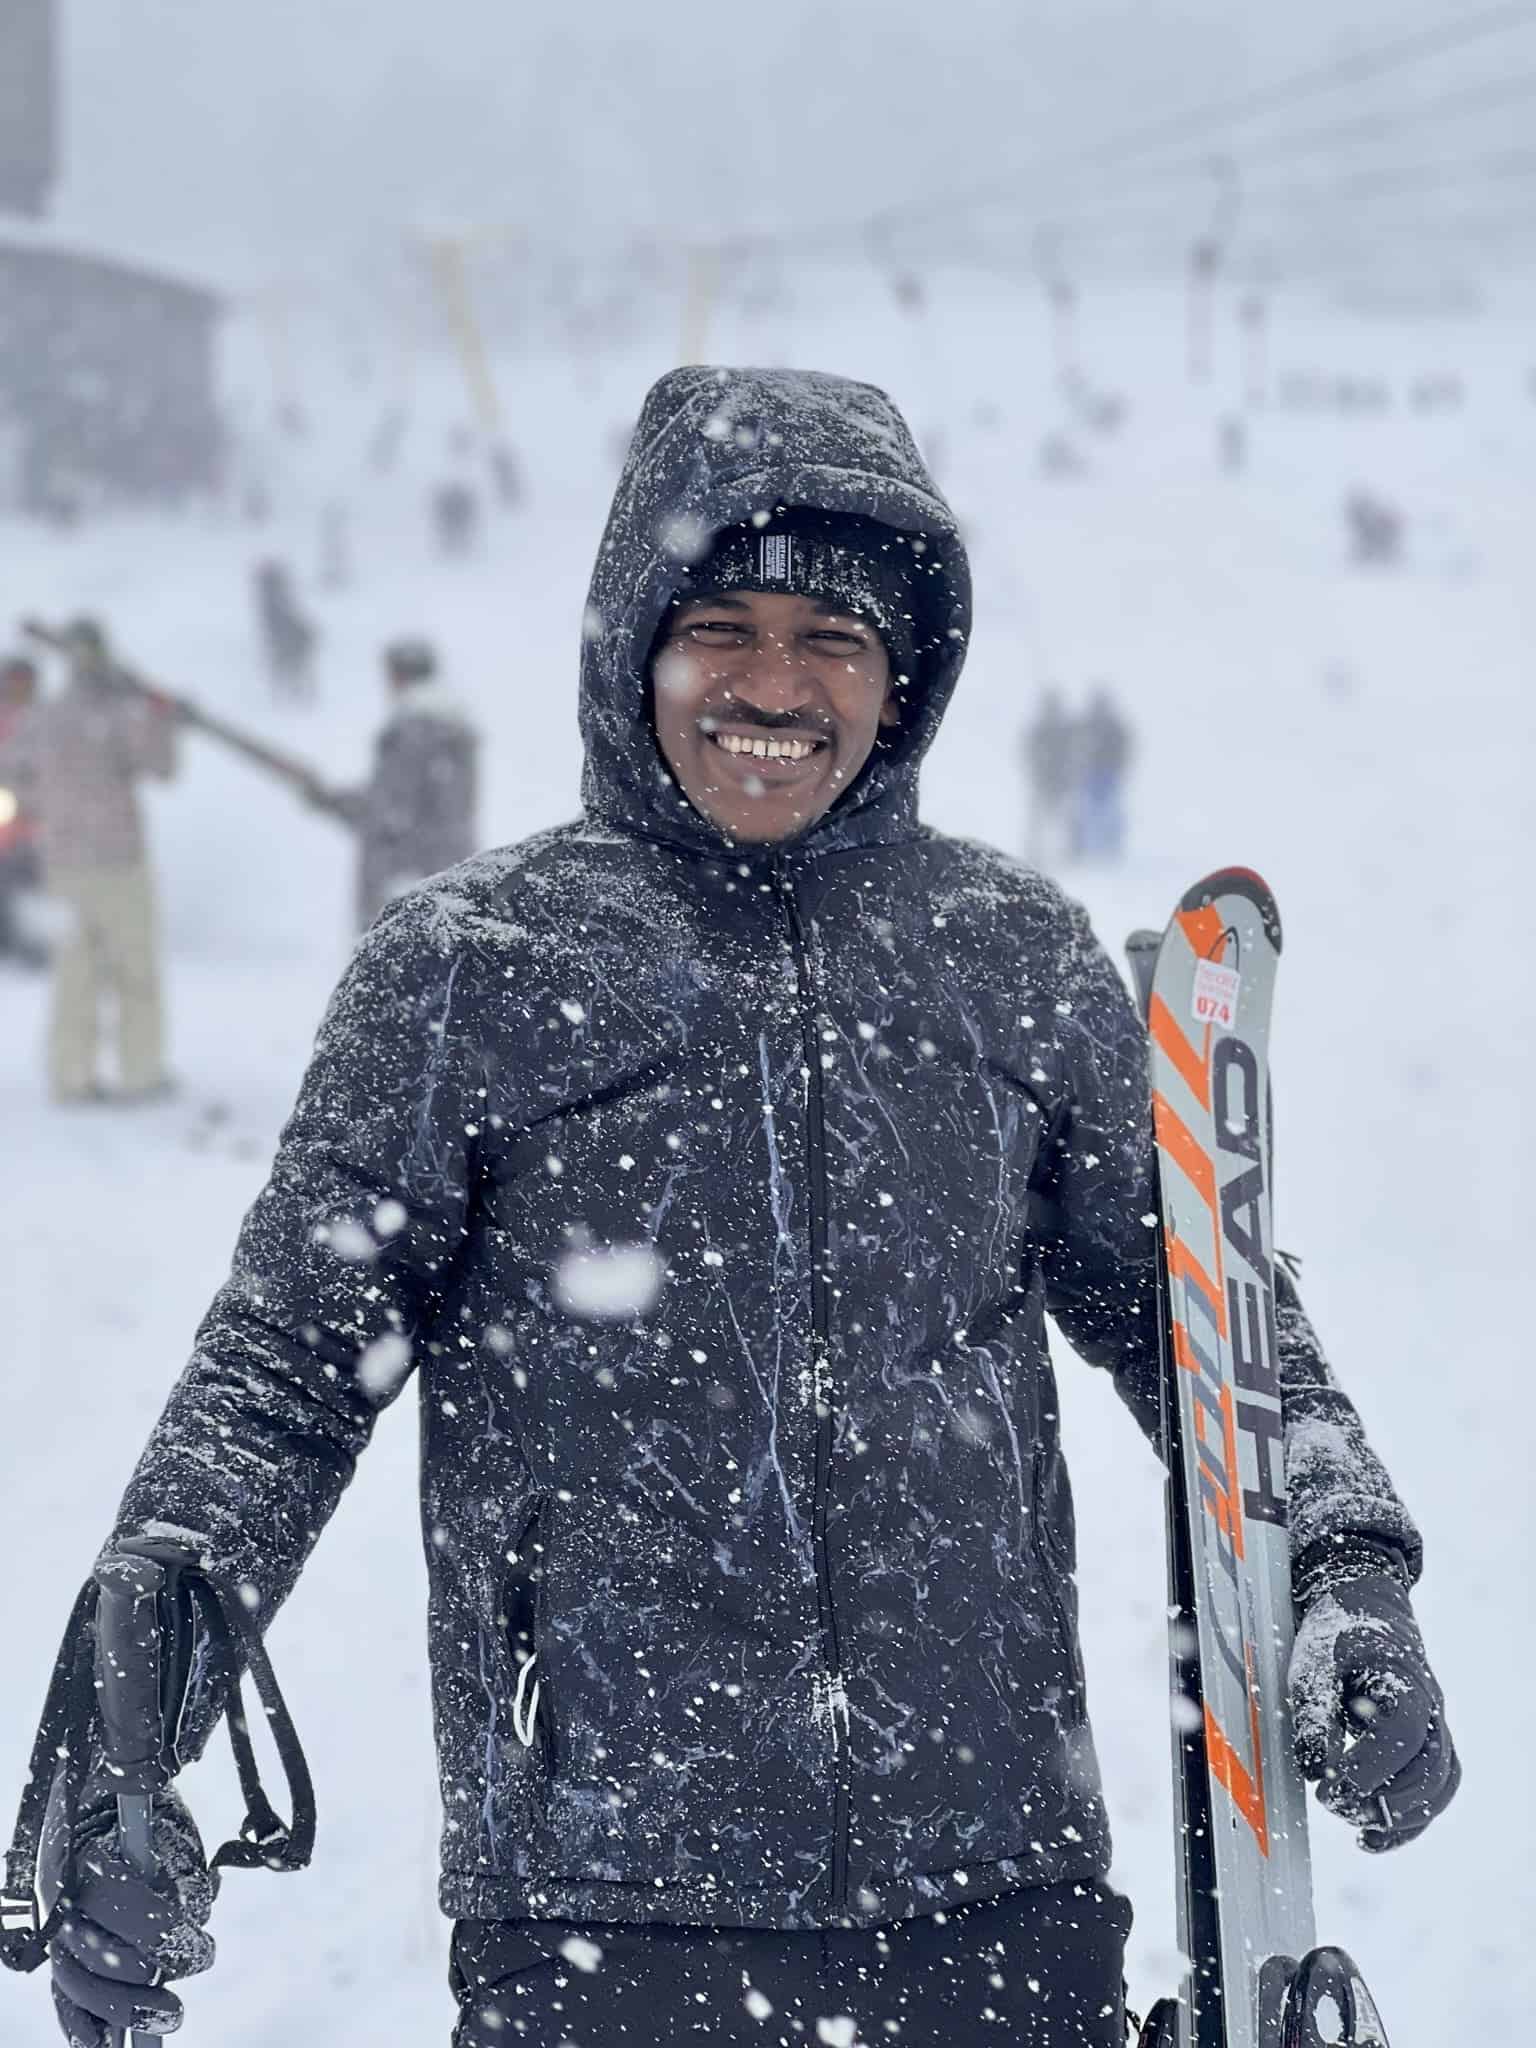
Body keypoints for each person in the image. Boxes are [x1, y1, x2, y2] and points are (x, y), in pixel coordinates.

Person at [5, 370, 1457, 2048]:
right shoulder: (474, 972)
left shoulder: (1012, 961)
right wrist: (123, 1745)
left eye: (832, 639)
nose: (775, 687)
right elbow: (277, 1376)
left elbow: (1212, 1328)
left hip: (993, 1891)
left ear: (903, 673)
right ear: (636, 643)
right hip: (604, 1908)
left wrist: (1348, 1572)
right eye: (723, 626)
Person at [0, 619, 180, 1102]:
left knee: (73, 975)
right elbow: (164, 769)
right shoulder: (122, 714)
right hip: (121, 862)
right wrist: (161, 717)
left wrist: (51, 808)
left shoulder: (43, 718)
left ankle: (71, 1076)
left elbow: (14, 781)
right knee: (134, 973)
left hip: (62, 864)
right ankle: (140, 1073)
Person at [323, 638, 480, 931]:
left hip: (408, 880)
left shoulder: (414, 728)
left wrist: (342, 803)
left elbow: (393, 809)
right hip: (453, 871)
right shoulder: (456, 726)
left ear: (398, 675)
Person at [0, 654, 47, 966]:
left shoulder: (46, 718)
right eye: (14, 681)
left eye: (25, 682)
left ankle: (37, 940)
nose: (19, 687)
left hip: (39, 816)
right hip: (7, 811)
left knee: (38, 880)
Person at [1071, 685, 1133, 862]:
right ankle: (1089, 847)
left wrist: (1119, 766)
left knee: (1107, 812)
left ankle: (1110, 845)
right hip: (1092, 774)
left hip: (1106, 773)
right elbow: (1076, 749)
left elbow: (1124, 748)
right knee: (1090, 812)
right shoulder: (1088, 725)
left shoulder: (1108, 726)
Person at [1018, 685, 1073, 867]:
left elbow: (1073, 754)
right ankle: (1037, 853)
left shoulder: (1064, 731)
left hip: (1058, 779)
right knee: (1041, 821)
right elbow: (1029, 752)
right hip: (1044, 779)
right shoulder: (1042, 729)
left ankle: (1067, 851)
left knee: (1061, 818)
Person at [252, 557, 319, 699]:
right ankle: (291, 692)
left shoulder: (274, 605)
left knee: (292, 669)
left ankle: (291, 692)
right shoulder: (275, 604)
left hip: (289, 642)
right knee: (293, 669)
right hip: (289, 641)